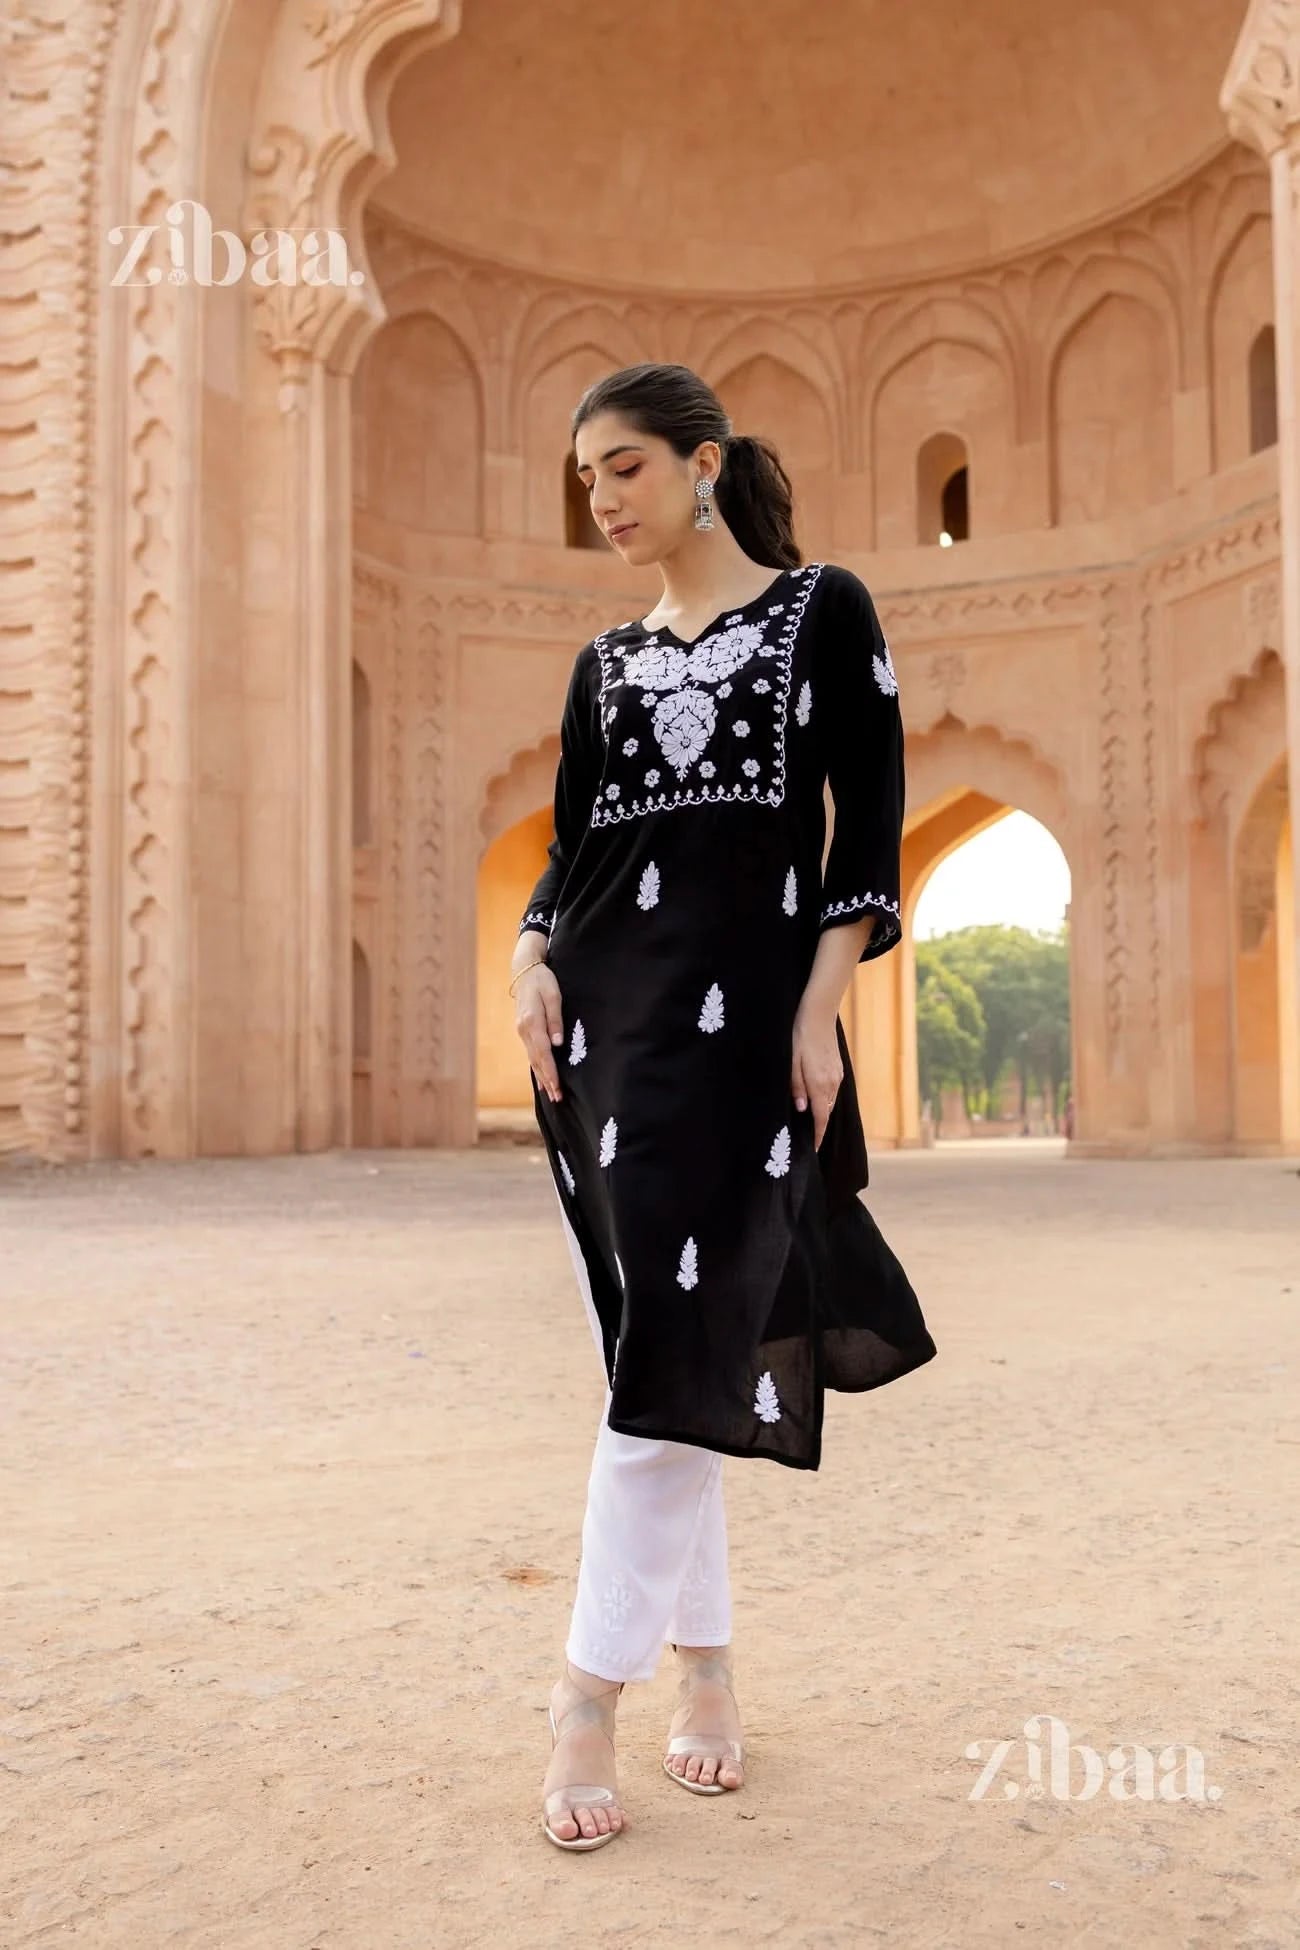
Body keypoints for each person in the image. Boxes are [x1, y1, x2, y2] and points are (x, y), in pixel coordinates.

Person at [510, 362, 937, 1851]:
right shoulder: (603, 662)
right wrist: (525, 957)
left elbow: (864, 841)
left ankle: (584, 1694)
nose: (604, 501)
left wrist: (819, 1017)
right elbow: (570, 852)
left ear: (701, 464)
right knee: (660, 1348)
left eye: (623, 469)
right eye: (586, 481)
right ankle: (706, 1668)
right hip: (606, 1037)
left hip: (749, 1033)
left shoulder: (826, 612)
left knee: (676, 1345)